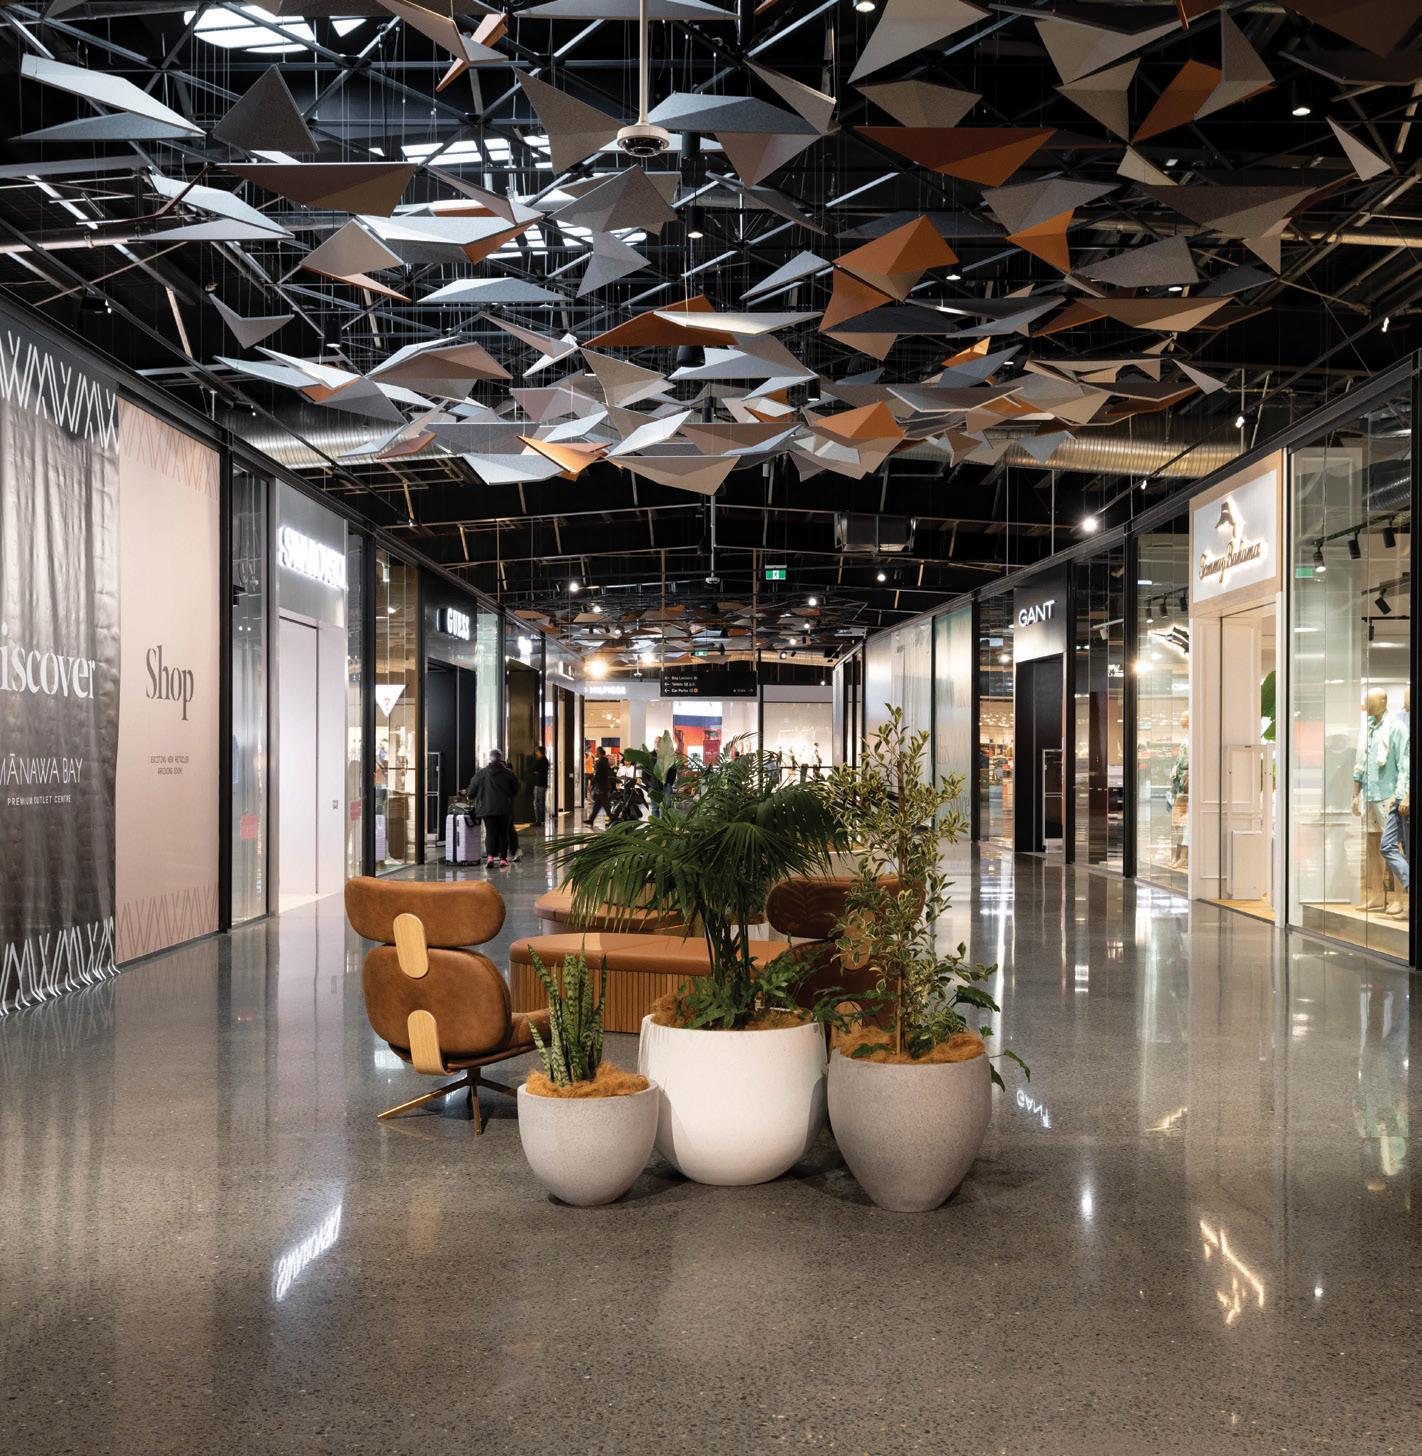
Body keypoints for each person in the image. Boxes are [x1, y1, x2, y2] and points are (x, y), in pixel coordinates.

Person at [467, 749, 519, 868]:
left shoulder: (481, 773)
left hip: (487, 809)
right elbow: (516, 789)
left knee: (490, 832)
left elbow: (472, 790)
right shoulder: (508, 773)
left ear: (489, 759)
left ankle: (490, 857)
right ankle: (503, 859)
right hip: (504, 808)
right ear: (501, 759)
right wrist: (508, 797)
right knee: (503, 833)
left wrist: (471, 795)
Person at [587, 746, 616, 827]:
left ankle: (612, 818)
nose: (595, 753)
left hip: (602, 786)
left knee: (605, 804)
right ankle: (591, 820)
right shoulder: (605, 761)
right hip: (605, 785)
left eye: (596, 751)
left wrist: (592, 783)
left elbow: (598, 775)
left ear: (599, 752)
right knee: (598, 804)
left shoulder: (600, 762)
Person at [532, 746, 550, 824]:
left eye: (537, 751)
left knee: (537, 802)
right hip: (543, 784)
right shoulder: (545, 760)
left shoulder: (541, 760)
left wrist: (536, 771)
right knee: (541, 802)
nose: (536, 753)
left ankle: (538, 820)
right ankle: (542, 819)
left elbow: (534, 768)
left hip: (539, 784)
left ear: (540, 752)